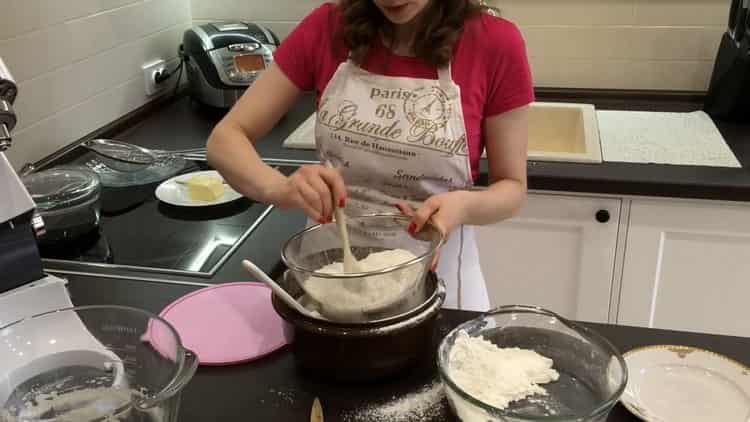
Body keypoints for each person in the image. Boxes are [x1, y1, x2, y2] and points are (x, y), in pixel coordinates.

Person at [206, 0, 533, 311]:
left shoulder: (495, 43)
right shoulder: (328, 27)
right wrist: (280, 189)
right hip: (330, 277)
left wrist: (461, 205)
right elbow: (225, 139)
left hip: (438, 283)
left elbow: (512, 187)